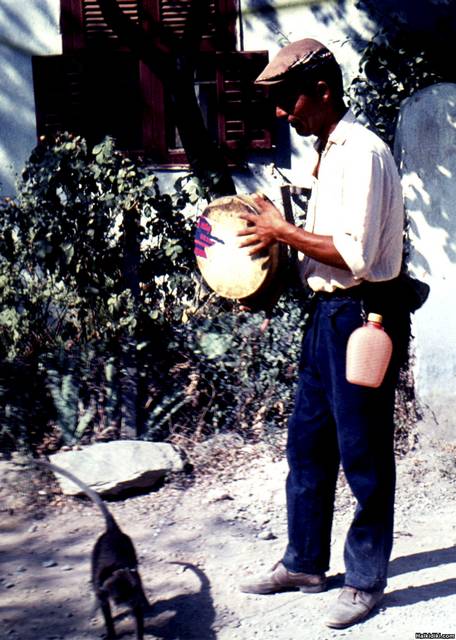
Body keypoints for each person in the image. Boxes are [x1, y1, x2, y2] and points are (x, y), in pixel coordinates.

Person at [237, 38, 410, 629]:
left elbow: (353, 256)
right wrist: (269, 259)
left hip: (365, 317)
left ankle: (364, 580)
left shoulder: (360, 152)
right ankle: (305, 563)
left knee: (363, 454)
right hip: (326, 317)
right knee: (308, 445)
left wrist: (282, 231)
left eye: (289, 100)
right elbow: (318, 254)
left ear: (323, 91)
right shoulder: (329, 152)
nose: (283, 113)